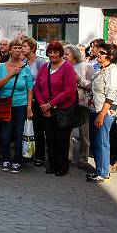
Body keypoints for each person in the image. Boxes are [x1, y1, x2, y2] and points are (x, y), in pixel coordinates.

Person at [35, 40, 77, 176]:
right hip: (46, 109)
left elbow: (69, 90)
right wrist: (43, 105)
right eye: (50, 52)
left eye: (56, 52)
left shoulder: (67, 67)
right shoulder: (45, 67)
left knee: (62, 139)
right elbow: (37, 87)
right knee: (50, 138)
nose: (53, 55)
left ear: (60, 53)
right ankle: (52, 164)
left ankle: (62, 166)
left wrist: (50, 104)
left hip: (63, 109)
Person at [0, 39, 34, 173]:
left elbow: (30, 89)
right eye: (15, 48)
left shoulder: (26, 67)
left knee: (18, 133)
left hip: (21, 104)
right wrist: (11, 73)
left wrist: (29, 108)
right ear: (10, 50)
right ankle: (5, 159)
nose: (18, 50)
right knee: (5, 133)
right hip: (5, 104)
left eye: (20, 48)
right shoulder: (1, 66)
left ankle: (17, 160)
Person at [87, 43, 117, 183]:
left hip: (105, 111)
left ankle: (103, 172)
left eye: (102, 53)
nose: (98, 55)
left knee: (102, 141)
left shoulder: (112, 71)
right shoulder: (102, 69)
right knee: (96, 141)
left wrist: (102, 114)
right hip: (95, 109)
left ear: (110, 56)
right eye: (99, 52)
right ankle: (99, 170)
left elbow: (111, 94)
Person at [65, 44, 94, 170]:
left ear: (74, 55)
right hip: (67, 103)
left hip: (82, 103)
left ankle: (83, 159)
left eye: (67, 54)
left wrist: (78, 80)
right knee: (68, 132)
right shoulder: (63, 67)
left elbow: (91, 86)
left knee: (84, 132)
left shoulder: (86, 67)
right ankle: (68, 157)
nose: (64, 56)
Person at [22, 37, 47, 166]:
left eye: (25, 46)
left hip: (37, 97)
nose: (23, 49)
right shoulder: (24, 62)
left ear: (32, 48)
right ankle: (28, 152)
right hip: (26, 96)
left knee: (38, 127)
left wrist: (30, 85)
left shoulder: (40, 61)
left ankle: (40, 155)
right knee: (27, 126)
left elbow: (42, 79)